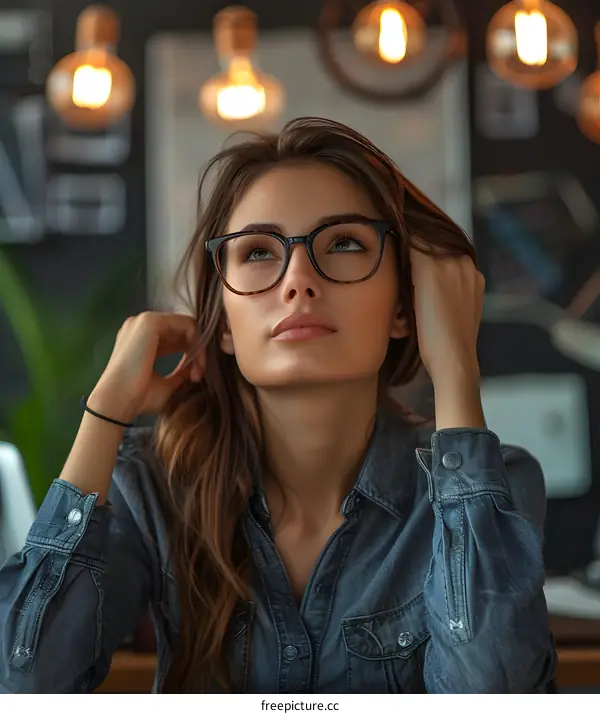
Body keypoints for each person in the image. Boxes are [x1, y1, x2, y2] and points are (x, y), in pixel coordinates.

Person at [0, 117, 555, 694]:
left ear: (403, 307)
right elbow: (24, 687)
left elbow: (493, 693)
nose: (298, 280)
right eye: (259, 252)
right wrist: (107, 406)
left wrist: (458, 371)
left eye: (343, 243)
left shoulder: (499, 486)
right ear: (225, 326)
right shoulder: (153, 486)